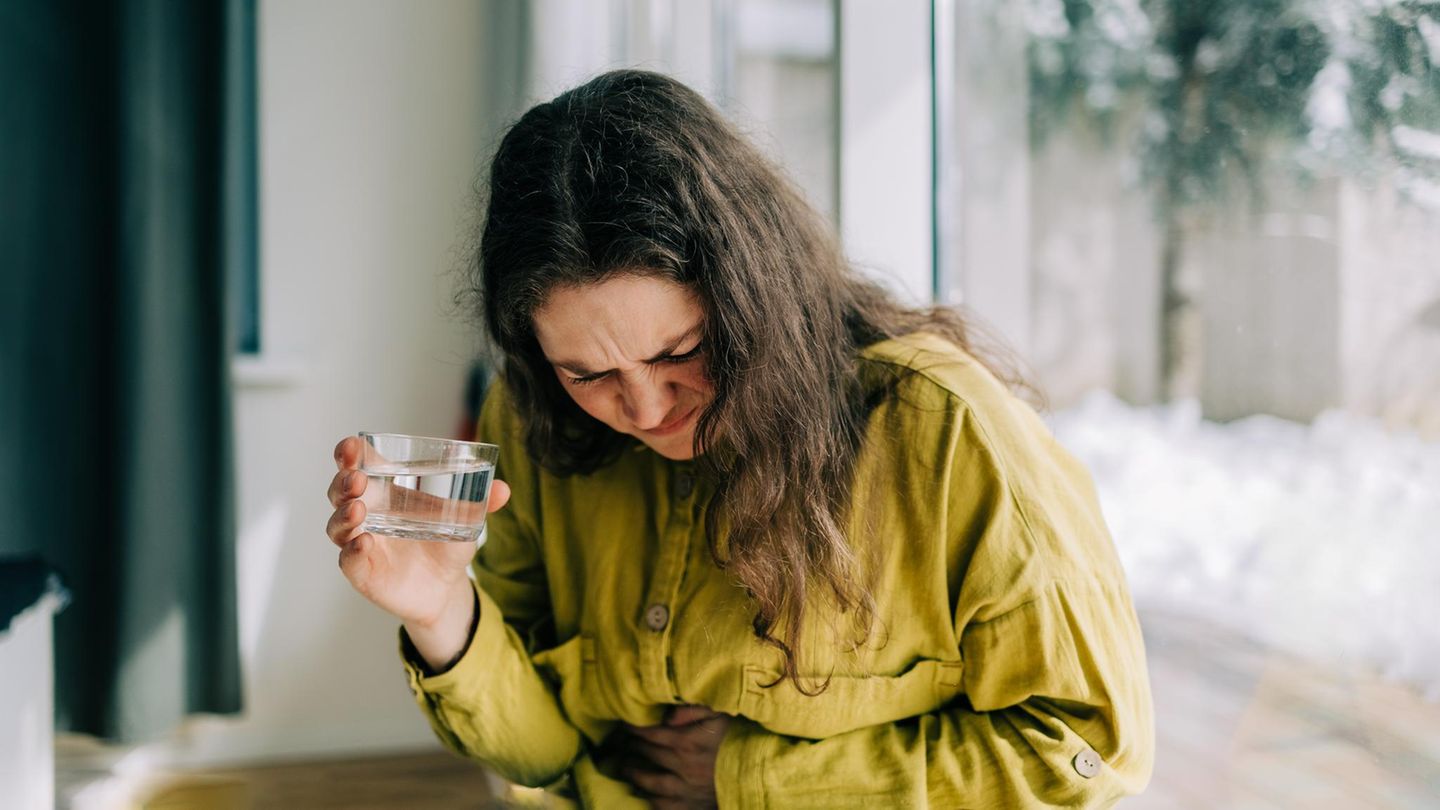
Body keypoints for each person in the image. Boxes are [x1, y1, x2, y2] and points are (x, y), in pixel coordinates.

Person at [325, 69, 1153, 809]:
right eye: (588, 374)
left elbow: (1087, 749)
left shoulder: (944, 434)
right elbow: (549, 754)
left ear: (758, 291)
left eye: (680, 352)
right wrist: (442, 612)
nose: (645, 409)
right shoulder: (533, 415)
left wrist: (753, 779)